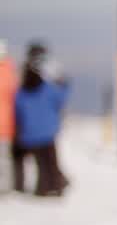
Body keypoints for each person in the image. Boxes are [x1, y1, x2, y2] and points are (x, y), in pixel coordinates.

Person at [13, 41, 71, 196]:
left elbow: (18, 105)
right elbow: (61, 97)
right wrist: (63, 83)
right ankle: (55, 185)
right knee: (50, 162)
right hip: (47, 132)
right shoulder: (47, 86)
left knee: (39, 162)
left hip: (29, 133)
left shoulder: (22, 86)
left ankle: (38, 187)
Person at [0, 40, 15, 194]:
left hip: (4, 125)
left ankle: (4, 188)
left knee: (3, 159)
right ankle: (4, 187)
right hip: (6, 125)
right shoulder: (11, 73)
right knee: (4, 159)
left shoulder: (8, 73)